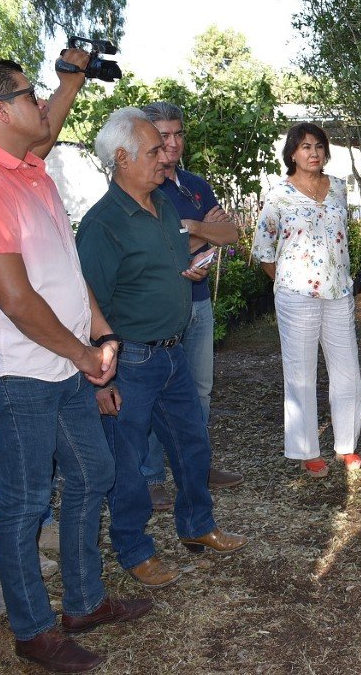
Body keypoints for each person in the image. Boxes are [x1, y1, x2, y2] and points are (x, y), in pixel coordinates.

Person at [0, 57, 152, 672]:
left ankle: (83, 602)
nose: (44, 107)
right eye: (31, 96)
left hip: (59, 366)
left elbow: (65, 271)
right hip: (16, 375)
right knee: (25, 502)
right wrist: (88, 356)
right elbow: (16, 300)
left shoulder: (31, 171)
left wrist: (100, 333)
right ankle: (33, 632)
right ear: (0, 111)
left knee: (93, 473)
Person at [76, 108, 248, 589]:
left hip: (173, 352)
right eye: (154, 150)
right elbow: (87, 301)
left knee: (192, 444)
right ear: (123, 158)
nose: (164, 158)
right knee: (127, 461)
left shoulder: (164, 206)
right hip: (131, 359)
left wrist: (190, 268)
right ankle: (134, 549)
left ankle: (197, 527)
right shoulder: (103, 224)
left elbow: (175, 259)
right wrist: (99, 376)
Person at [138, 101, 243, 509]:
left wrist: (194, 229)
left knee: (200, 390)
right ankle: (150, 479)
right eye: (163, 135)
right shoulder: (142, 185)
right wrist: (201, 236)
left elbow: (231, 234)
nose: (173, 143)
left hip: (198, 304)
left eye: (178, 133)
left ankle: (195, 467)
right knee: (151, 393)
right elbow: (157, 252)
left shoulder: (195, 185)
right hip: (159, 308)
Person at [252, 122, 361, 478]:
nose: (312, 152)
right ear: (292, 154)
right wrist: (290, 282)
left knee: (346, 372)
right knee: (300, 374)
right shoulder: (279, 194)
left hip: (339, 293)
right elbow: (264, 250)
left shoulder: (339, 189)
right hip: (296, 297)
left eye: (317, 146)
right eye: (304, 147)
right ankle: (306, 450)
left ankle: (347, 445)